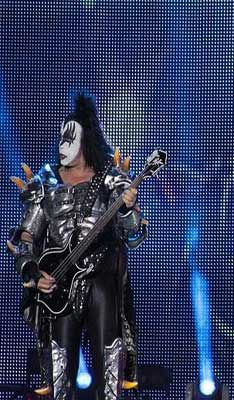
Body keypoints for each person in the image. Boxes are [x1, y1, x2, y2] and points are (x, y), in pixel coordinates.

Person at [8, 92, 144, 399]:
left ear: (86, 141)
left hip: (101, 281)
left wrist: (126, 209)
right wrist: (33, 272)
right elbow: (26, 235)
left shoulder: (111, 179)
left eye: (70, 139)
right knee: (59, 371)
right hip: (59, 285)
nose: (62, 145)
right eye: (61, 138)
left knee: (109, 367)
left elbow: (134, 236)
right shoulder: (47, 181)